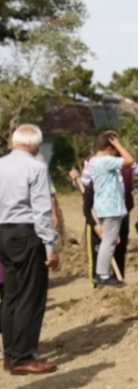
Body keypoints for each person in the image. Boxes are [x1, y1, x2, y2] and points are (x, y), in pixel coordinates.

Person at [0, 124, 60, 374]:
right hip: (26, 232)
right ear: (35, 144)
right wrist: (50, 245)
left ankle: (11, 354)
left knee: (11, 295)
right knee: (30, 296)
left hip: (2, 232)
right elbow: (41, 209)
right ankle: (24, 357)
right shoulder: (36, 167)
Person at [77, 153, 138, 278]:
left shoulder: (124, 162)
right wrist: (94, 224)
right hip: (100, 215)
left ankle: (117, 280)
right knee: (99, 249)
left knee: (119, 249)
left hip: (121, 212)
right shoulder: (94, 163)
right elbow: (84, 186)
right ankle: (99, 281)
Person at [89, 131, 134, 286]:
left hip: (103, 206)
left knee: (107, 241)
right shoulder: (105, 160)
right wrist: (118, 145)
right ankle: (103, 274)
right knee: (109, 242)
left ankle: (103, 273)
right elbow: (129, 160)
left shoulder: (93, 161)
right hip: (111, 207)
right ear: (110, 146)